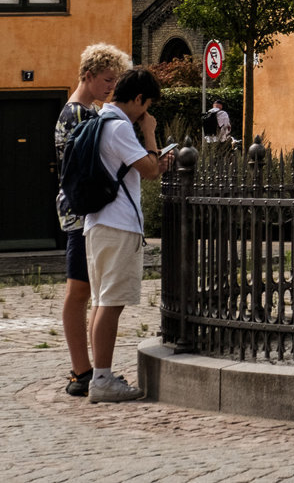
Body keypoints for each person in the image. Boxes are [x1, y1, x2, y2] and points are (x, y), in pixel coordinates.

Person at [84, 66, 175, 403]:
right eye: (147, 104)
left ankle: (100, 375)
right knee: (111, 303)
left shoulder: (101, 120)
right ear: (138, 98)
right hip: (117, 224)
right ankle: (103, 381)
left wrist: (152, 158)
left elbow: (139, 167)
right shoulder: (120, 126)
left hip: (98, 223)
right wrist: (150, 133)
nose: (147, 112)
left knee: (101, 302)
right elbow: (149, 170)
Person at [54, 42, 130, 399]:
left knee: (84, 290)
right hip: (79, 214)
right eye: (106, 79)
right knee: (79, 290)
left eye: (114, 81)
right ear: (88, 75)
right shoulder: (78, 115)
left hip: (79, 212)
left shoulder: (86, 112)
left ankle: (84, 368)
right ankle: (81, 369)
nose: (110, 87)